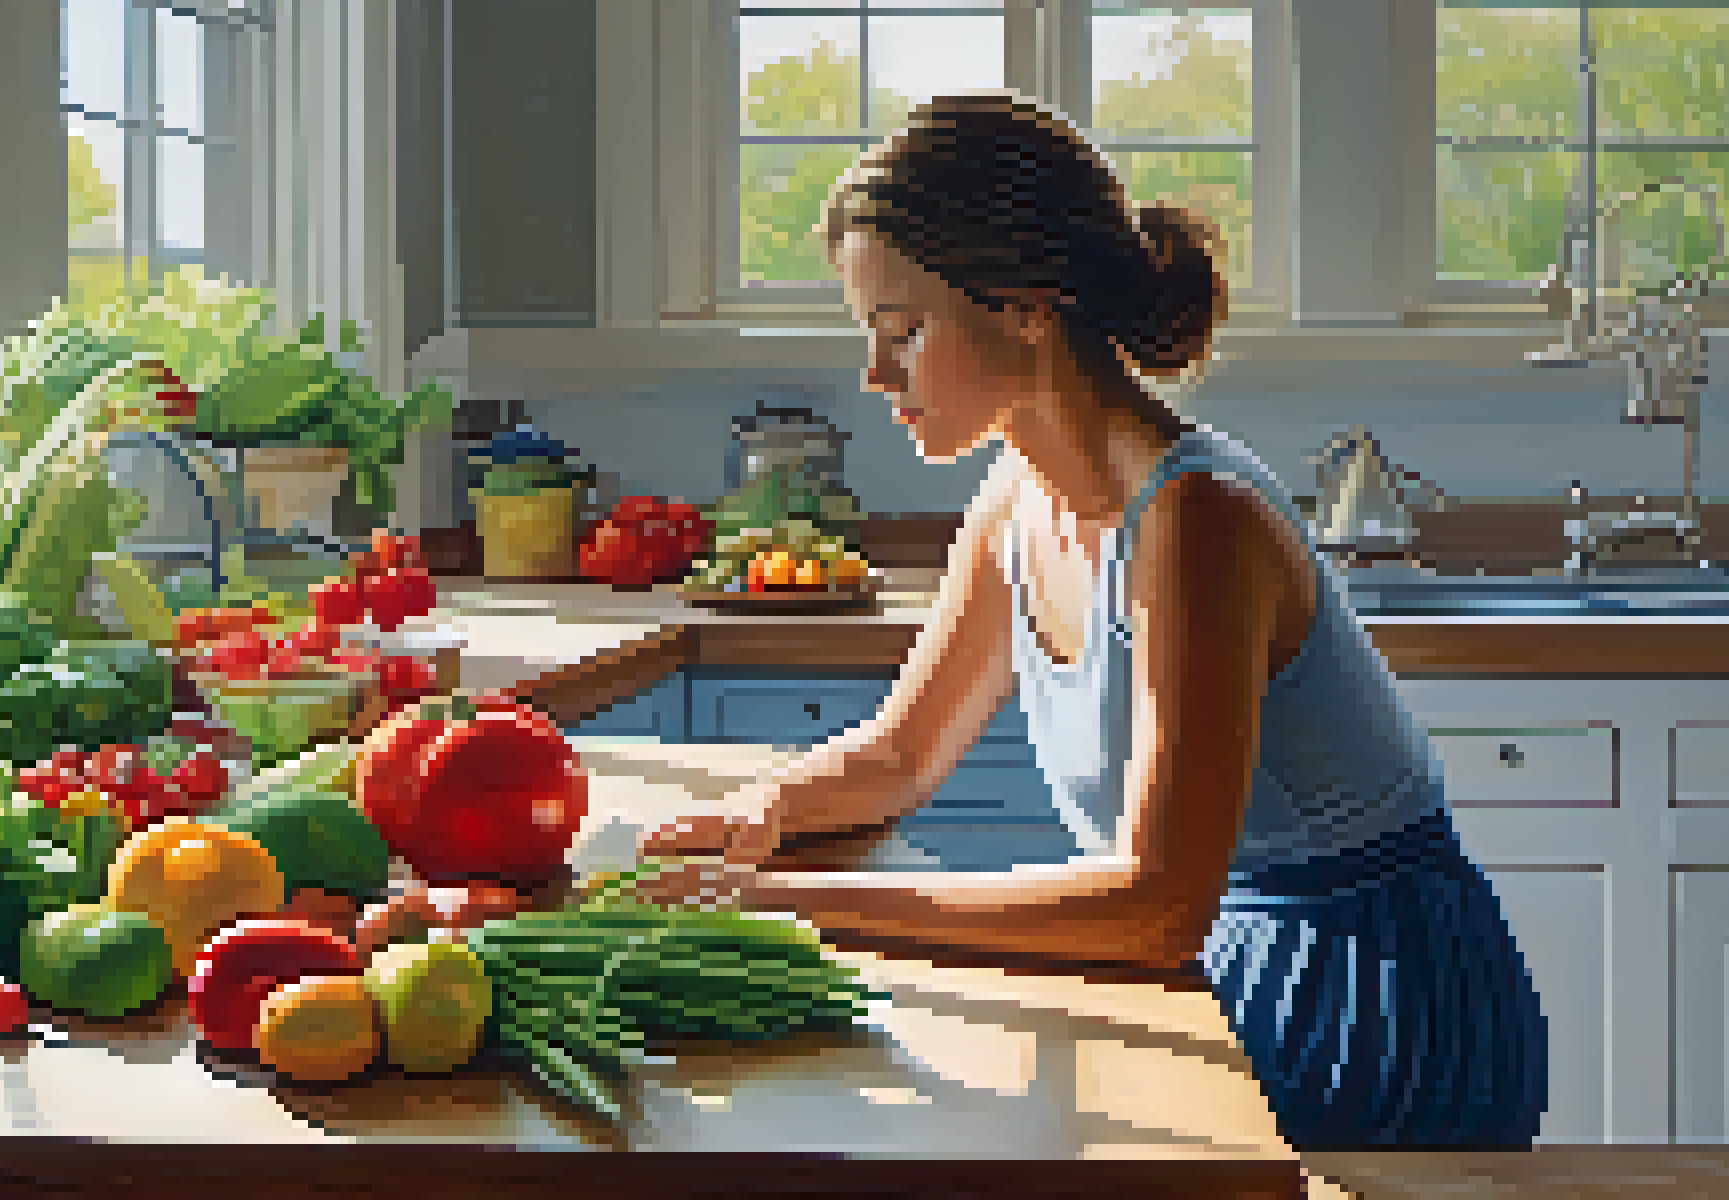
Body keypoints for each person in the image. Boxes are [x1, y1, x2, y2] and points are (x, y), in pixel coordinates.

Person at [632, 92, 1549, 1151]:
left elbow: (1154, 909)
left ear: (1026, 306)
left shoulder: (1196, 522)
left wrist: (801, 904)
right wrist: (767, 811)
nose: (876, 377)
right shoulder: (1013, 504)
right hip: (1220, 967)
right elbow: (899, 753)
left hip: (1369, 1008)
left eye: (903, 332)